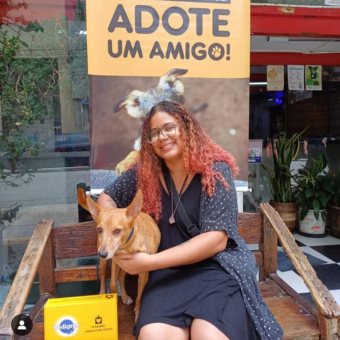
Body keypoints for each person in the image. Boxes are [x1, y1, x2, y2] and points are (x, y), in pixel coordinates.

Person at [98, 101, 283, 340]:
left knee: (208, 335)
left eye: (169, 128)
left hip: (215, 271)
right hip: (166, 277)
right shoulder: (143, 174)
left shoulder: (214, 171)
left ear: (186, 128)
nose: (162, 137)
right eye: (154, 133)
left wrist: (147, 263)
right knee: (154, 336)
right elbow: (106, 199)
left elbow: (216, 241)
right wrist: (121, 233)